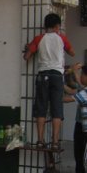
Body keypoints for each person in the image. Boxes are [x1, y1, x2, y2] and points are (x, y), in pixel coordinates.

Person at [24, 13, 75, 150]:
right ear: (57, 26)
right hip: (57, 76)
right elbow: (72, 53)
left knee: (41, 107)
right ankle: (55, 142)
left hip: (43, 75)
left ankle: (40, 141)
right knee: (56, 108)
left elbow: (27, 56)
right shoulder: (62, 38)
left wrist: (29, 48)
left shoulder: (39, 38)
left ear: (45, 26)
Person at [64, 63, 86, 173]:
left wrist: (74, 71)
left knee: (82, 150)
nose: (81, 76)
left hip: (86, 125)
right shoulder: (85, 88)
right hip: (80, 122)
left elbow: (70, 97)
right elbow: (72, 90)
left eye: (83, 74)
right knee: (79, 149)